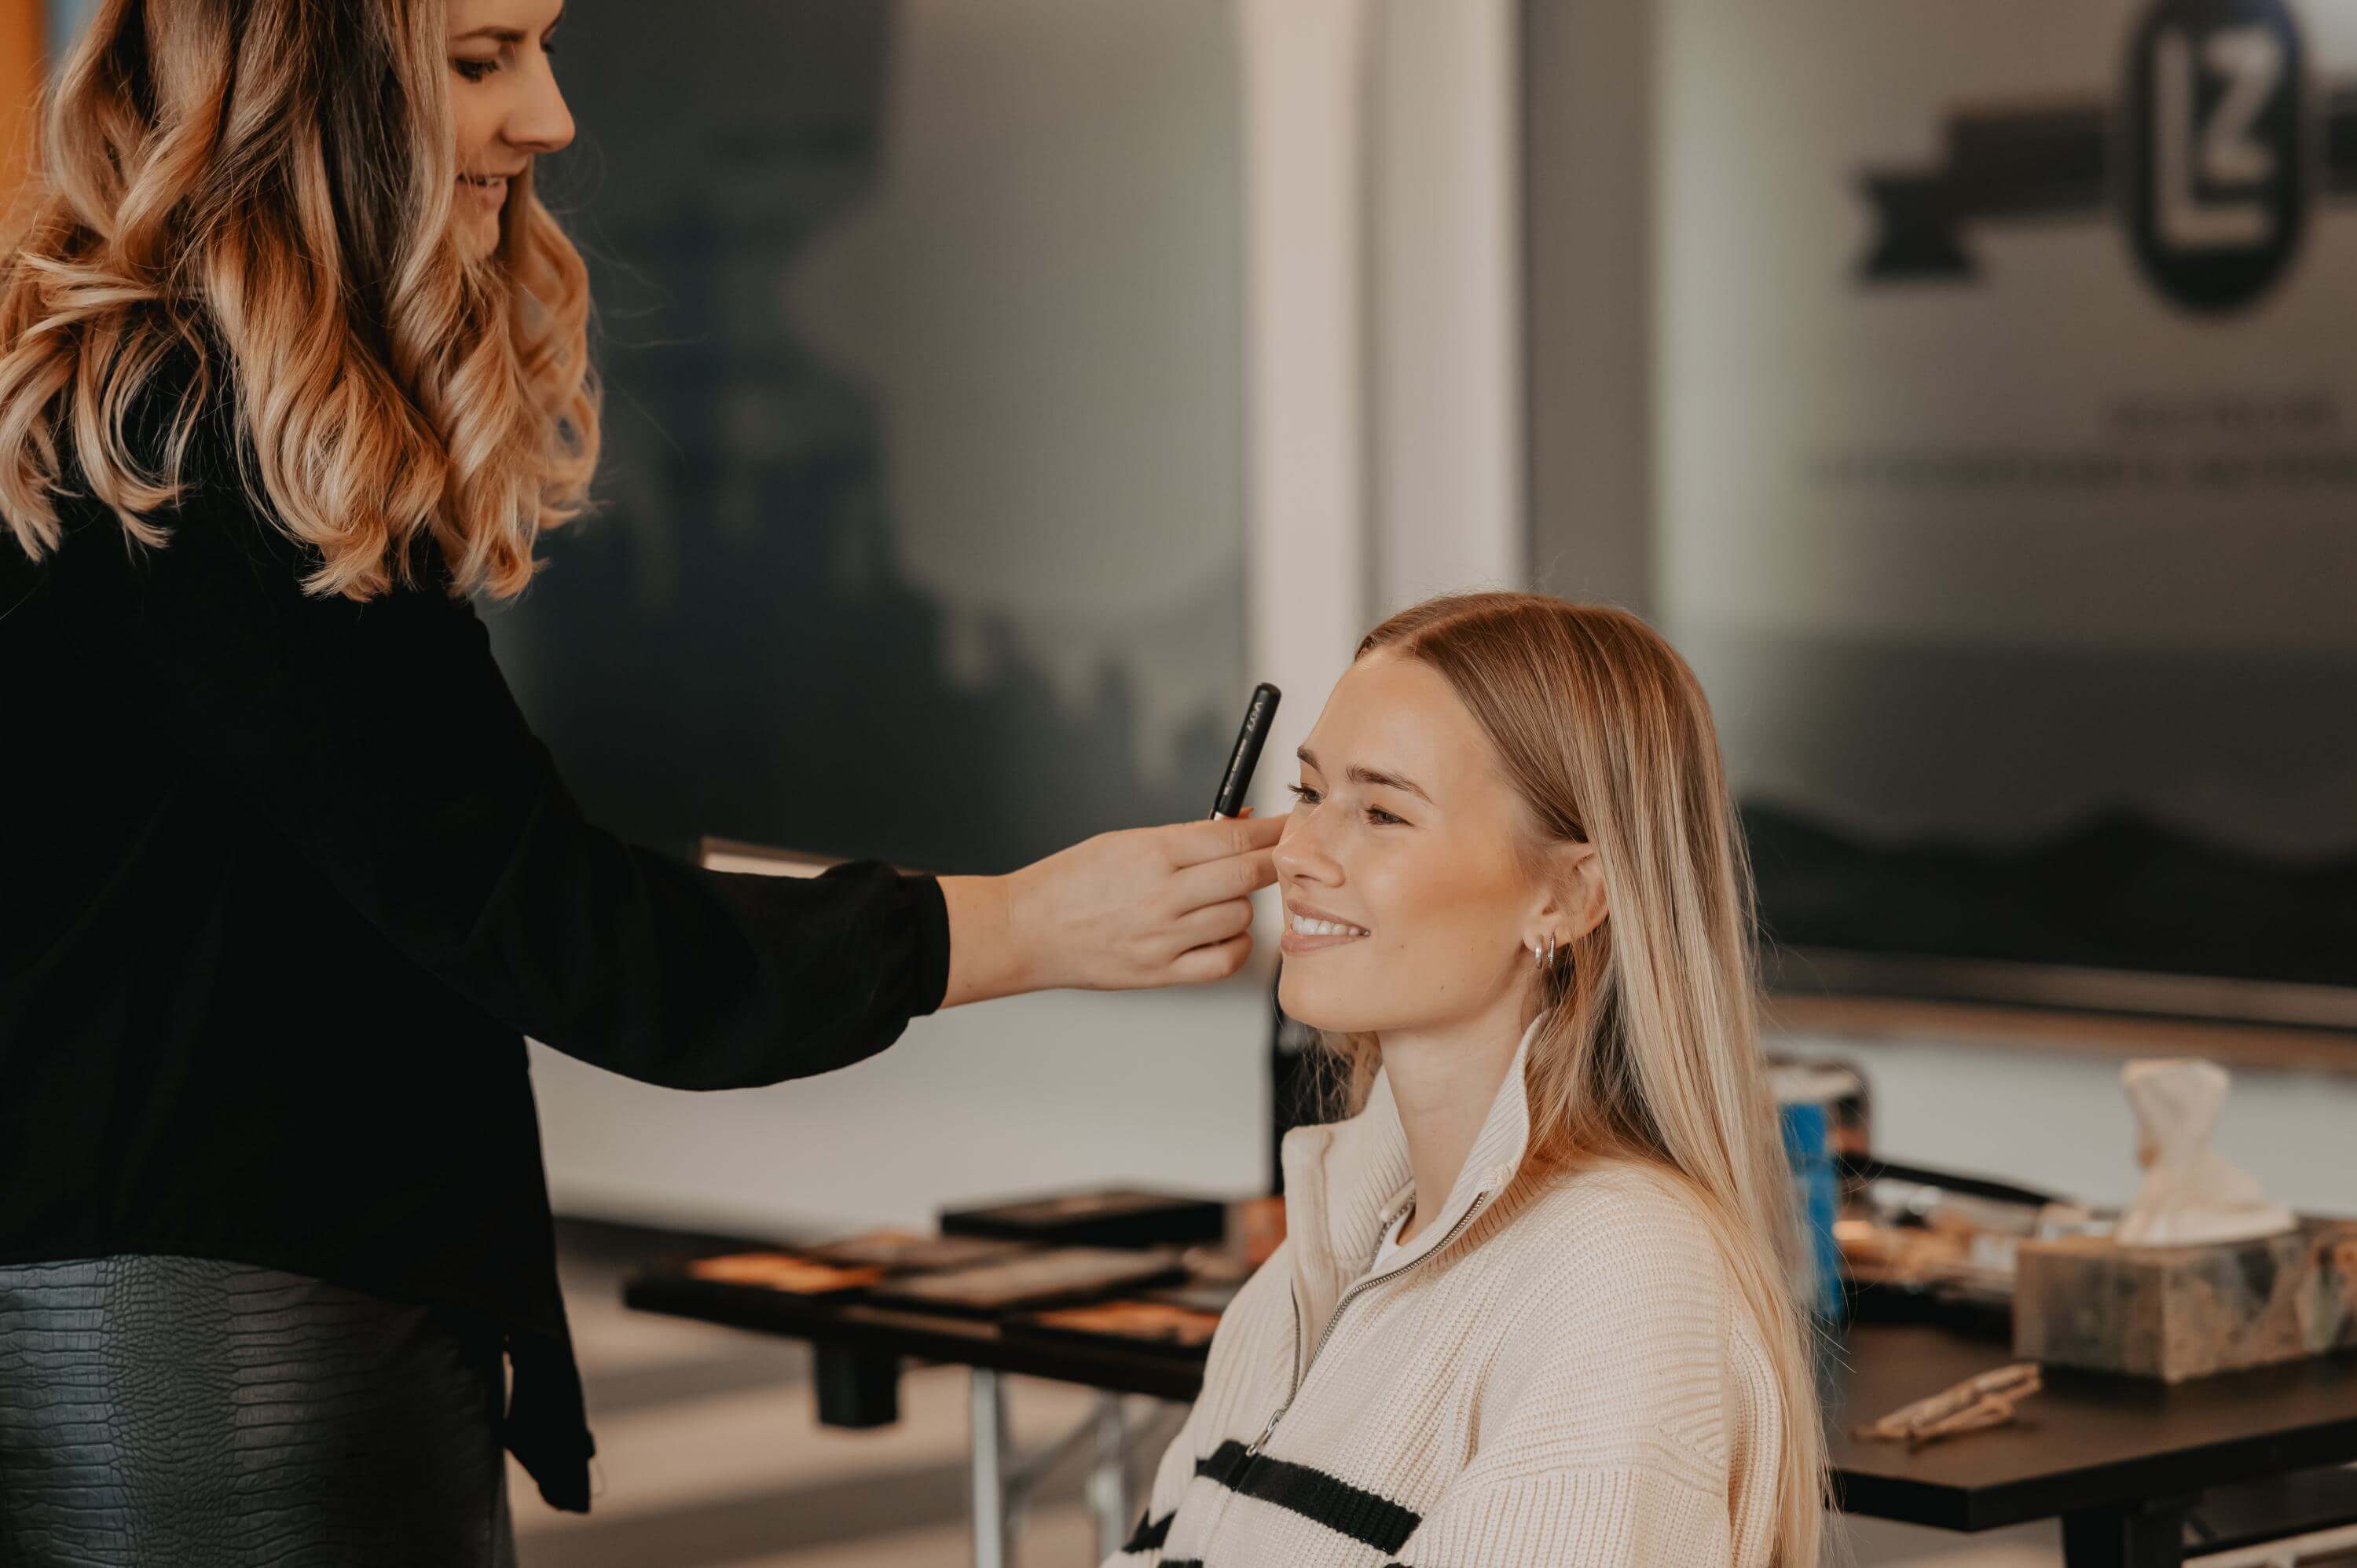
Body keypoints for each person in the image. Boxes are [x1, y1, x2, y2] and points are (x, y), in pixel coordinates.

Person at [0, 2, 1280, 1563]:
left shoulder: (107, 410)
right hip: (215, 1361)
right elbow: (562, 925)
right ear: (310, 83)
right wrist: (1028, 924)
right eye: (482, 59)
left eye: (540, 47)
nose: (551, 116)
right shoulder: (211, 446)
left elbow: (436, 855)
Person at [1107, 592, 1827, 1567]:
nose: (1299, 851)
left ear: (1568, 895)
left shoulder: (1618, 1276)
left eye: (1383, 811)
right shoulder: (1318, 1258)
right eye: (1311, 793)